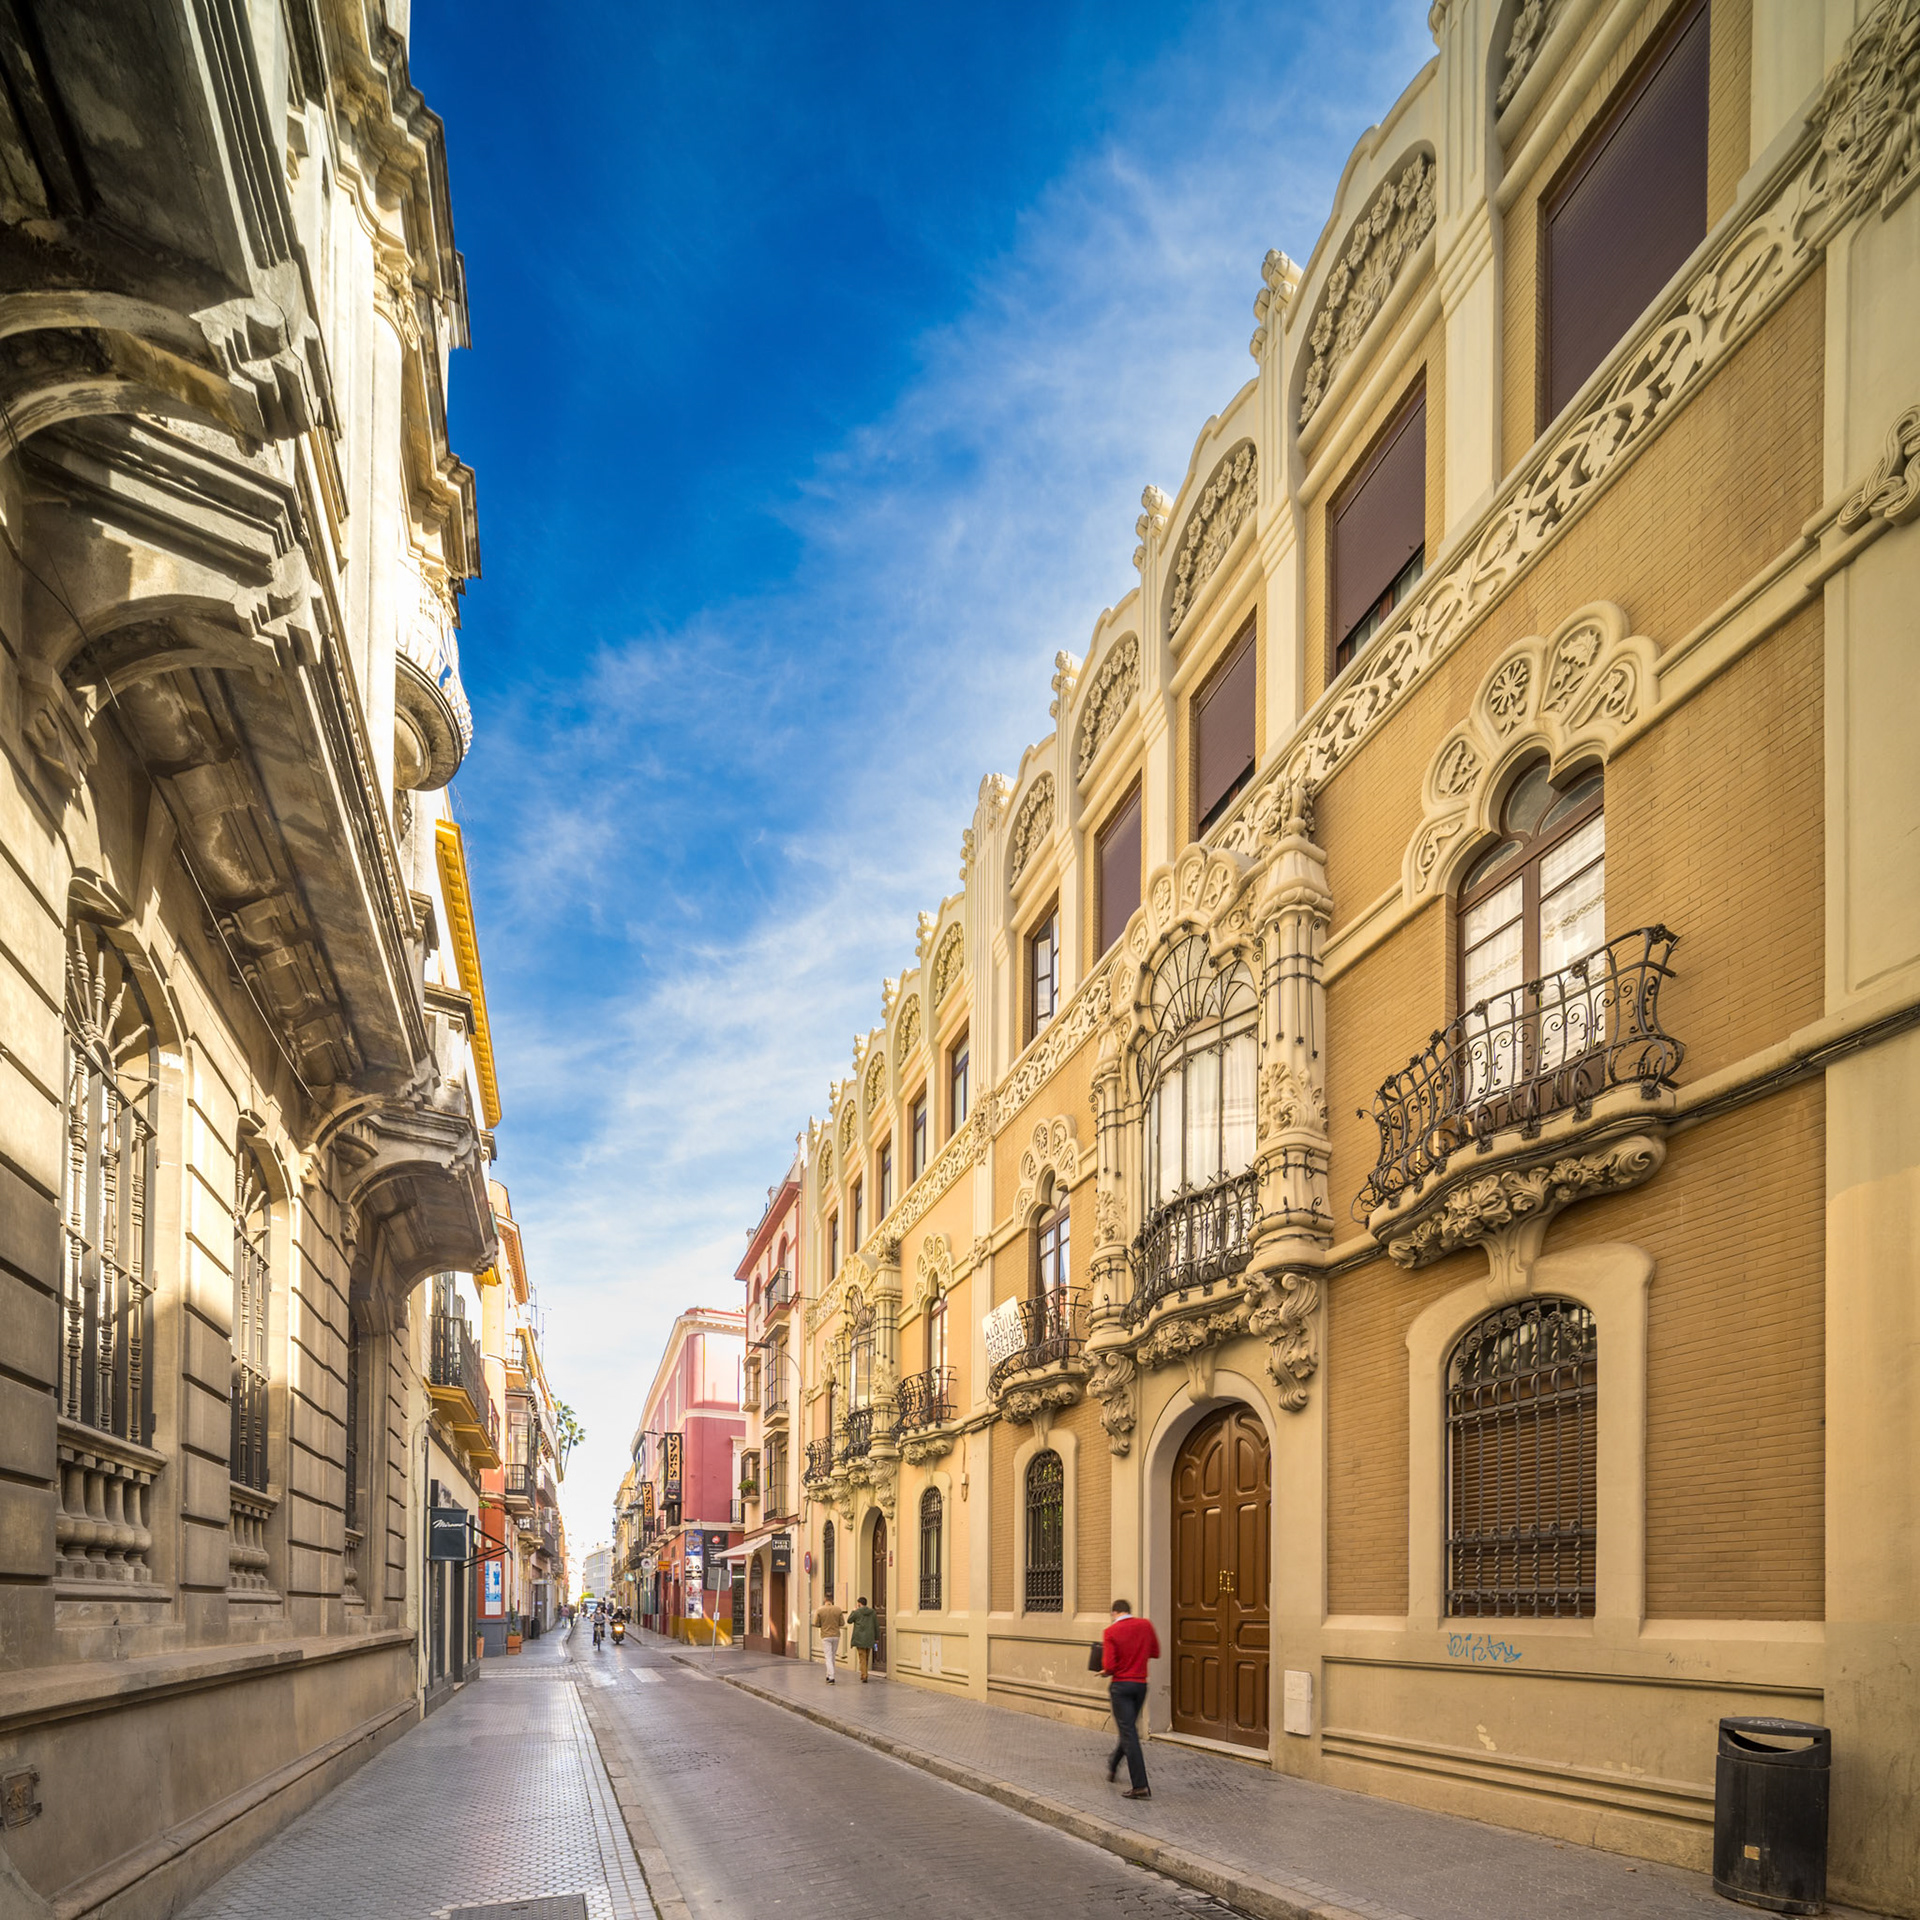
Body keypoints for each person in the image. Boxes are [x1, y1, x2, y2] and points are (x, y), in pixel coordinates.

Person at [1101, 1598, 1160, 1800]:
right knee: (1129, 1730)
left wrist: (1104, 1672)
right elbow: (1155, 1652)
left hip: (1121, 1687)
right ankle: (1113, 1765)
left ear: (1115, 1613)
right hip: (1140, 1685)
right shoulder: (1145, 1625)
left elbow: (1109, 1665)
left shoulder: (1111, 1632)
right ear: (1128, 1611)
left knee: (1128, 1733)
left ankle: (1140, 1786)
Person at [813, 1595, 846, 1682]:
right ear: (832, 1600)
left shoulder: (820, 1610)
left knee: (828, 1657)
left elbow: (816, 1623)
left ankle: (831, 1677)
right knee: (833, 1656)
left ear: (825, 1600)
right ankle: (828, 1674)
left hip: (826, 1635)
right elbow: (842, 1623)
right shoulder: (838, 1609)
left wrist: (823, 1625)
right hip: (836, 1635)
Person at [847, 1596, 880, 1681]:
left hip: (859, 1638)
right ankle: (864, 1673)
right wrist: (876, 1637)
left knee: (862, 1658)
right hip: (869, 1638)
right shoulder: (872, 1612)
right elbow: (876, 1625)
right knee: (866, 1657)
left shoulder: (857, 1612)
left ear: (859, 1603)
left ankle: (864, 1675)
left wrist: (853, 1611)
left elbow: (849, 1620)